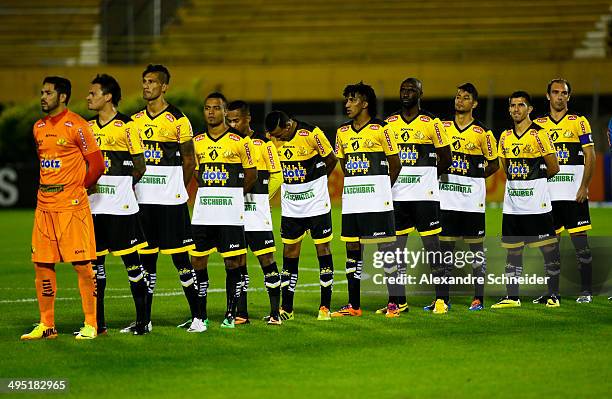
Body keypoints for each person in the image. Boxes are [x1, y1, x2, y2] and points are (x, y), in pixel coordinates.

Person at [22, 76, 104, 340]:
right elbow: (46, 162)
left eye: (48, 93)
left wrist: (80, 188)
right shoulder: (38, 127)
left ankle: (91, 323)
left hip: (72, 207)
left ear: (63, 96)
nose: (43, 97)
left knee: (82, 265)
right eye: (42, 92)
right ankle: (47, 325)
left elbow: (97, 164)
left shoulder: (78, 125)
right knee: (42, 264)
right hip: (44, 206)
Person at [127, 64, 199, 332]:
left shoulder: (179, 120)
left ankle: (198, 318)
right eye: (144, 81)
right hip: (142, 203)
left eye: (152, 82)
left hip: (171, 203)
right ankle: (143, 321)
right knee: (145, 261)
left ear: (164, 86)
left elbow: (190, 160)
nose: (146, 86)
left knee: (181, 260)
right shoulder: (134, 122)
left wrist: (176, 189)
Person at [85, 73, 149, 335]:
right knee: (95, 269)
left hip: (120, 209)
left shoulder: (127, 126)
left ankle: (143, 322)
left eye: (93, 93)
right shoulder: (87, 127)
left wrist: (122, 187)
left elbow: (140, 166)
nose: (88, 97)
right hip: (93, 208)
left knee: (133, 266)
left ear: (108, 96)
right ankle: (98, 324)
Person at [383, 78, 453, 315]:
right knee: (395, 251)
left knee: (433, 248)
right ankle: (397, 301)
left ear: (421, 93)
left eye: (411, 89)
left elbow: (446, 157)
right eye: (403, 89)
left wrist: (429, 178)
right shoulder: (389, 123)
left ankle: (441, 300)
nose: (406, 93)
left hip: (425, 196)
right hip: (398, 196)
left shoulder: (432, 123)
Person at [331, 82, 401, 317]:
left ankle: (394, 303)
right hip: (352, 201)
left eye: (352, 99)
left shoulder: (382, 129)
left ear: (365, 103)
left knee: (386, 249)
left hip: (377, 201)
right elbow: (343, 163)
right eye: (347, 100)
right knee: (352, 248)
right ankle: (354, 305)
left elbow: (396, 163)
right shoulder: (342, 132)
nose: (347, 104)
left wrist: (381, 188)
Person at [189, 92, 257, 330]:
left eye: (216, 108)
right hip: (203, 212)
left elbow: (251, 175)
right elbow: (195, 171)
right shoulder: (196, 142)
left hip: (230, 212)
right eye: (207, 108)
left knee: (233, 263)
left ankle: (231, 314)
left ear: (225, 112)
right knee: (197, 260)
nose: (211, 112)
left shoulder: (240, 142)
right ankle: (200, 315)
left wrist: (233, 195)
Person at [265, 110, 337, 321]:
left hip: (316, 204)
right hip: (291, 206)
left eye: (279, 135)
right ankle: (287, 308)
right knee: (289, 252)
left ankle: (325, 307)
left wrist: (319, 182)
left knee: (323, 249)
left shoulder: (312, 134)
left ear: (288, 126)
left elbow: (331, 159)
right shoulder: (274, 139)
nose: (277, 139)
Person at [492, 91, 561, 309]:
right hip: (512, 207)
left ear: (530, 109)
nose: (515, 109)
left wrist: (535, 184)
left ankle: (553, 295)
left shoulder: (539, 135)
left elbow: (554, 167)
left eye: (520, 105)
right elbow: (504, 166)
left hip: (537, 206)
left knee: (548, 250)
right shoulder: (504, 136)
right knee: (513, 252)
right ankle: (512, 297)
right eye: (512, 105)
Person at [438, 83, 499, 311]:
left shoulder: (483, 133)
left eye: (465, 98)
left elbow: (495, 164)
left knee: (476, 251)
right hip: (445, 199)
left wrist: (475, 177)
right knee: (445, 252)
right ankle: (442, 299)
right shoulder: (443, 128)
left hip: (471, 201)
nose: (459, 100)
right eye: (457, 97)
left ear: (474, 104)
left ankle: (478, 298)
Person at [534, 79, 595, 303]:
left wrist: (584, 186)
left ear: (569, 97)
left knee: (581, 244)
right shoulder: (538, 124)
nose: (560, 96)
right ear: (548, 95)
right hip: (548, 197)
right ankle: (552, 292)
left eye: (564, 93)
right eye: (556, 92)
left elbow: (590, 156)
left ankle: (586, 291)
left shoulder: (578, 122)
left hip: (573, 194)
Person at [227, 100, 284, 325]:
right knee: (237, 263)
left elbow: (277, 175)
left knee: (266, 260)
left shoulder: (263, 144)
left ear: (248, 118)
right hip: (234, 215)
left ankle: (275, 314)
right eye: (228, 120)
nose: (232, 125)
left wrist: (263, 199)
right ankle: (241, 314)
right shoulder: (227, 143)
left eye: (236, 120)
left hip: (256, 213)